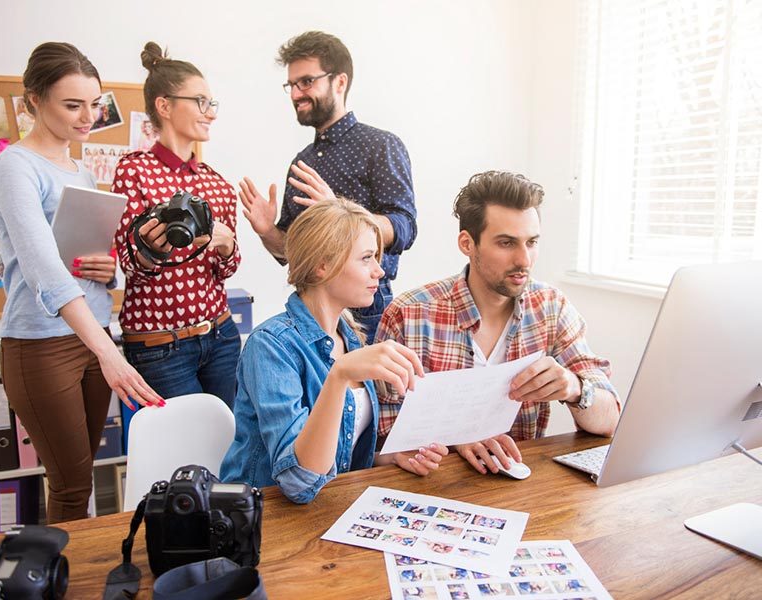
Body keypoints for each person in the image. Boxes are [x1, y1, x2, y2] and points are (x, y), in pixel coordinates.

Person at [0, 42, 162, 523]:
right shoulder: (14, 166)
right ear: (33, 102)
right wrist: (110, 353)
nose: (88, 117)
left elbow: (81, 262)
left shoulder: (81, 169)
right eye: (72, 105)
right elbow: (44, 270)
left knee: (88, 472)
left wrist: (108, 270)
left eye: (93, 104)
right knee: (70, 485)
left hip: (91, 336)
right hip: (41, 344)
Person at [376, 170, 620, 475]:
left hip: (524, 490)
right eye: (506, 243)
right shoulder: (409, 315)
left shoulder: (551, 308)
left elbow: (609, 421)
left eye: (531, 242)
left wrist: (573, 387)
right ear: (467, 243)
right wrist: (456, 442)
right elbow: (378, 439)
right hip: (433, 491)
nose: (525, 260)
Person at [220, 199, 447, 503]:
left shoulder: (350, 336)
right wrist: (338, 376)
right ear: (321, 266)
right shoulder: (270, 346)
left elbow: (337, 456)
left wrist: (386, 457)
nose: (379, 271)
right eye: (366, 258)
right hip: (262, 518)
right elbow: (299, 484)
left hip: (331, 508)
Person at [239, 31, 417, 343]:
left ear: (339, 82)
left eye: (306, 82)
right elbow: (291, 253)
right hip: (310, 311)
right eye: (291, 85)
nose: (296, 93)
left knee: (366, 394)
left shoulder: (381, 145)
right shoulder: (301, 162)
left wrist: (339, 214)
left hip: (367, 309)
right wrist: (267, 230)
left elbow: (405, 227)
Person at [112, 42, 242, 409]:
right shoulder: (133, 170)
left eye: (212, 103)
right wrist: (153, 250)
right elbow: (130, 266)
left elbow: (227, 270)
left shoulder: (216, 183)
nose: (210, 113)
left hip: (220, 336)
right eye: (200, 101)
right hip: (159, 346)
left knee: (232, 444)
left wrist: (227, 246)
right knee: (187, 455)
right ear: (164, 105)